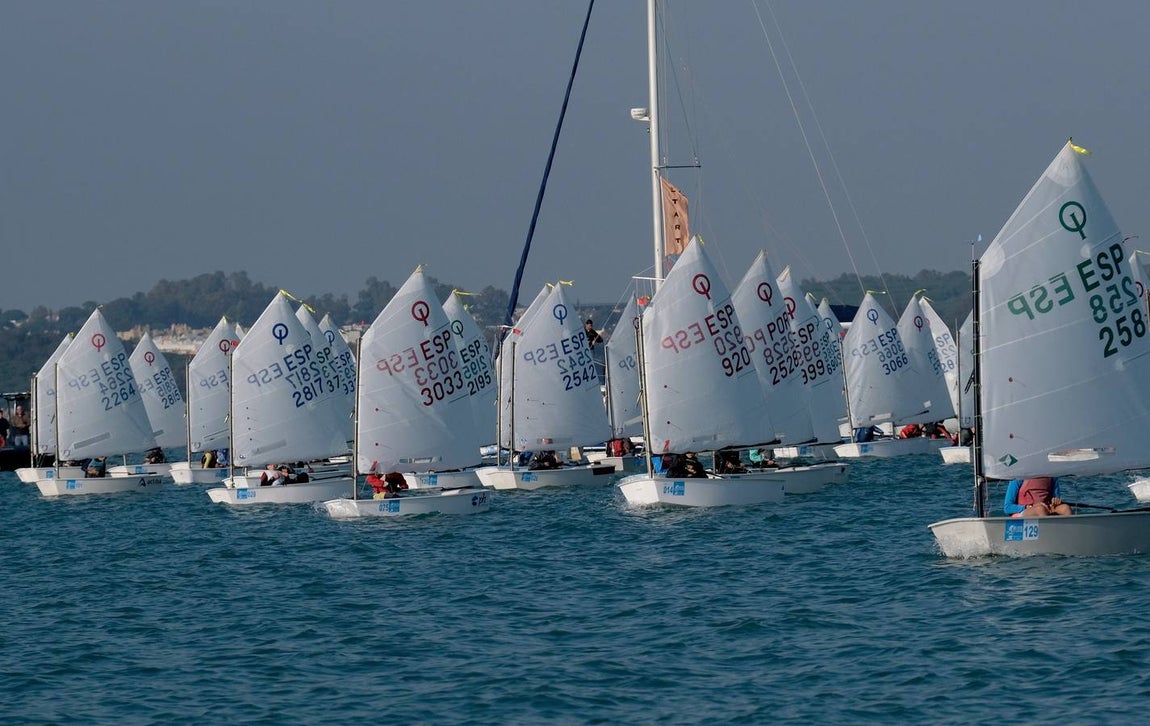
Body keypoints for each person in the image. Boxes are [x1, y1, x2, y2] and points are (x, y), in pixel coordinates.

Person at [1003, 477, 1072, 517]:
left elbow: (1056, 499)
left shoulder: (1052, 476)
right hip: (1024, 512)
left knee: (1066, 508)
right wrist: (1029, 506)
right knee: (1040, 509)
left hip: (1047, 509)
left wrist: (1056, 501)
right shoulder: (1018, 477)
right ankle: (1047, 537)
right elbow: (1007, 508)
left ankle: (1070, 536)